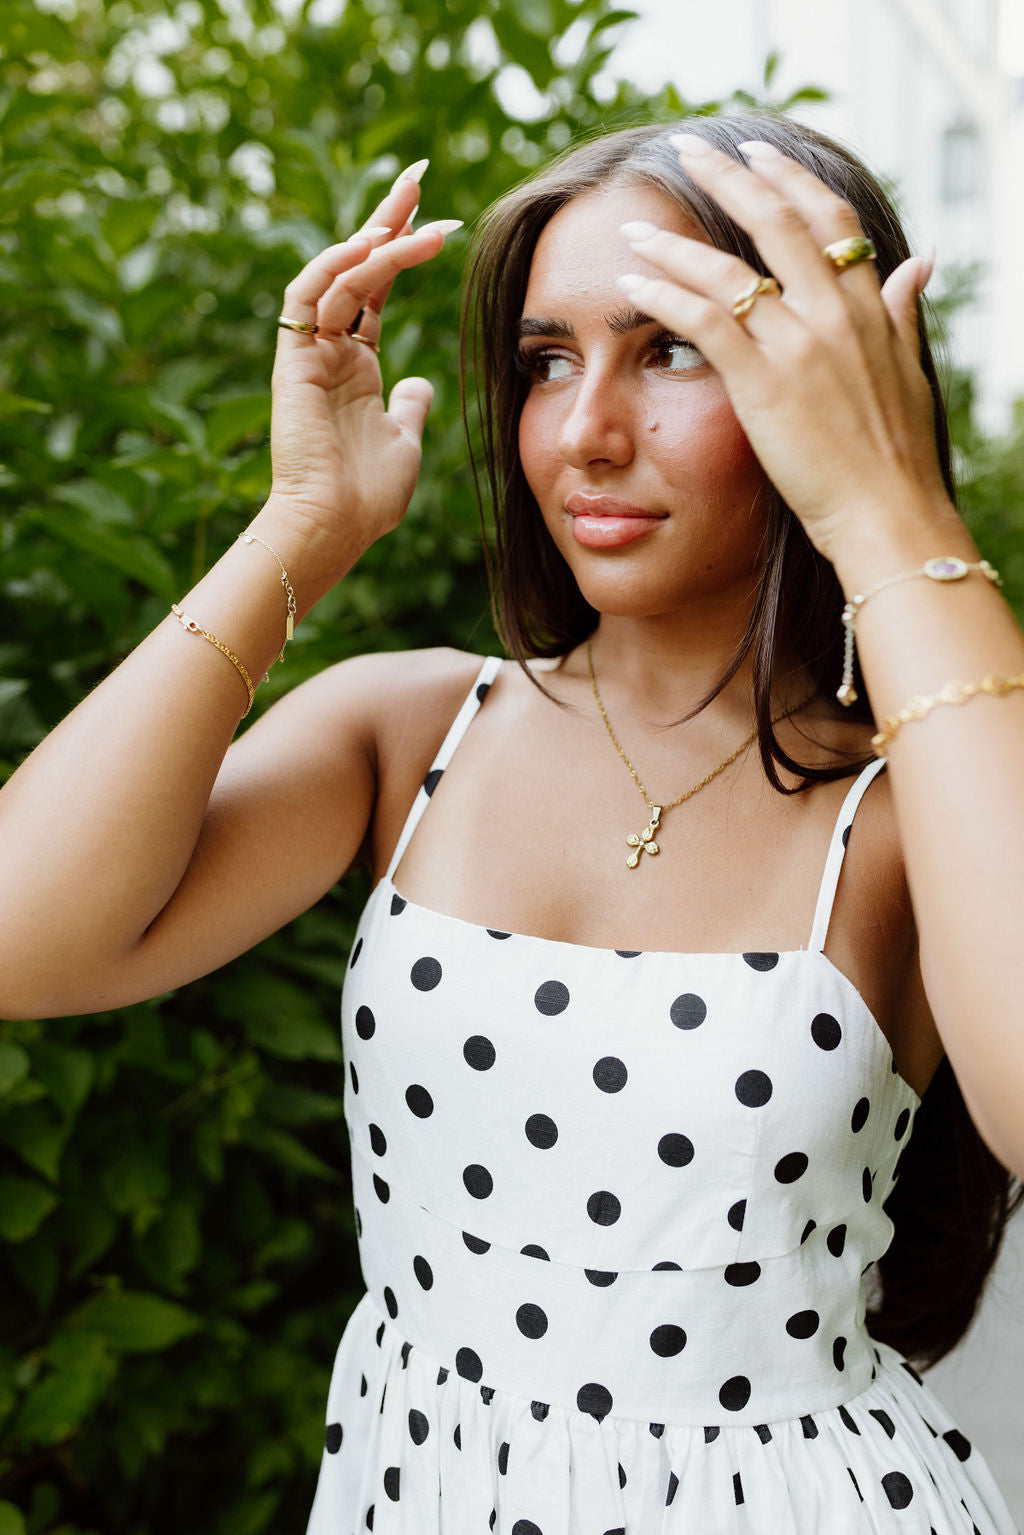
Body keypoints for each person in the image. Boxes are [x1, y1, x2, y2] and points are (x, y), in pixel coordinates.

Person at [1, 109, 1022, 1533]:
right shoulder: (411, 730)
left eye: (671, 347)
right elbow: (20, 942)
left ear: (829, 373)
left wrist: (884, 503)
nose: (590, 432)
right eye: (549, 361)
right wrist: (302, 522)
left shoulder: (919, 798)